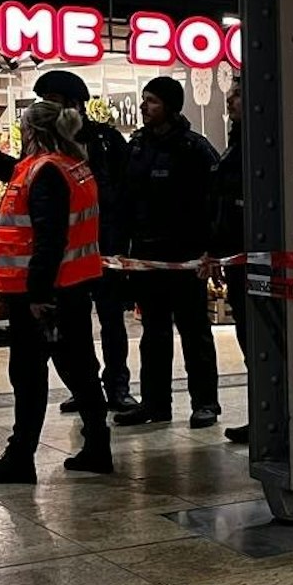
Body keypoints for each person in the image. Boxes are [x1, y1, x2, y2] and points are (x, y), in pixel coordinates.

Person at [0, 102, 114, 483]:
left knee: (29, 374)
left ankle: (21, 456)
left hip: (44, 293)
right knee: (78, 368)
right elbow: (12, 170)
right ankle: (97, 444)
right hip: (70, 286)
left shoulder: (46, 172)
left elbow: (49, 240)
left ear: (32, 132)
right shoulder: (68, 165)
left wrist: (39, 296)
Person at [34, 70, 139, 414]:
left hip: (106, 249)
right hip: (69, 256)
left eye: (51, 100)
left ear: (72, 103)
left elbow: (125, 193)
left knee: (111, 322)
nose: (45, 107)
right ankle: (85, 388)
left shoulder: (105, 141)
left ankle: (118, 387)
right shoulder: (46, 144)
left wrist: (123, 242)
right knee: (73, 329)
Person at [118, 77, 220, 429]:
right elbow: (127, 201)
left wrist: (209, 250)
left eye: (153, 101)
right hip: (147, 258)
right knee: (154, 334)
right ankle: (155, 403)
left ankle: (206, 403)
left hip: (185, 257)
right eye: (144, 100)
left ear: (171, 107)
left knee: (195, 332)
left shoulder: (194, 149)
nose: (145, 107)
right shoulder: (137, 147)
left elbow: (213, 201)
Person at [211, 83, 250, 444]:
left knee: (258, 339)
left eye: (236, 96)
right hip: (236, 256)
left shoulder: (254, 148)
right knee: (247, 338)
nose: (230, 102)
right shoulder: (236, 144)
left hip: (253, 257)